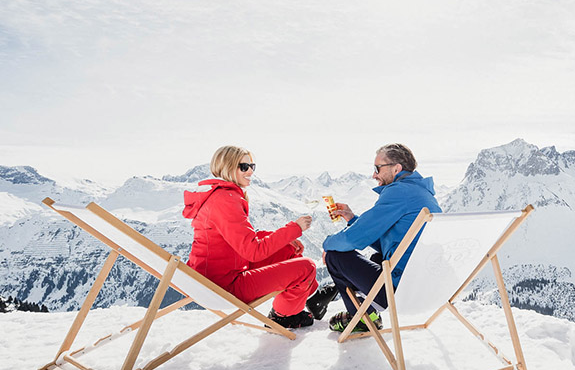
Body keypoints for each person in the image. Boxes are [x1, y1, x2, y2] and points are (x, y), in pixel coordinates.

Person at [183, 145, 321, 329]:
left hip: (217, 274)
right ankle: (283, 316)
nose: (250, 172)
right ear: (228, 167)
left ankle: (295, 304)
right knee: (307, 267)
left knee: (288, 250)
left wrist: (283, 238)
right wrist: (294, 228)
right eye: (244, 167)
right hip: (223, 286)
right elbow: (253, 251)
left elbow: (239, 238)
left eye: (252, 166)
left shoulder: (221, 195)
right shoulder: (226, 200)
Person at [315, 143, 442, 333]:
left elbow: (353, 240)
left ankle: (361, 318)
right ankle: (368, 312)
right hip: (428, 284)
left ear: (396, 168)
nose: (374, 175)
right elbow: (388, 243)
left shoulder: (399, 192)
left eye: (377, 168)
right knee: (378, 258)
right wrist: (352, 219)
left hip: (402, 289)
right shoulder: (422, 193)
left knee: (335, 255)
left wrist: (327, 244)